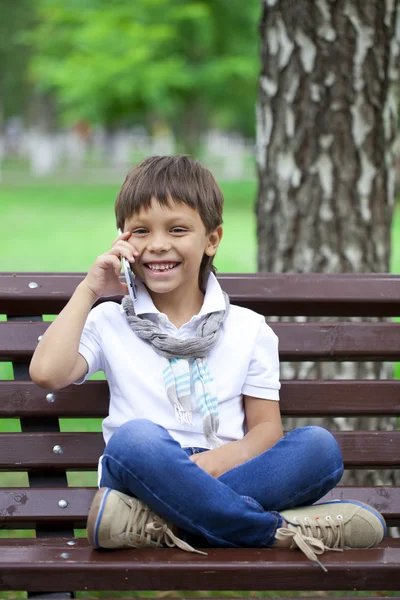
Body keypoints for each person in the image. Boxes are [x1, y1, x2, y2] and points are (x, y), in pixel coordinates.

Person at [29, 155, 386, 572]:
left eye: (177, 229)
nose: (158, 243)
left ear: (212, 239)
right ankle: (275, 532)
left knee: (319, 449)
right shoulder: (110, 319)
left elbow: (267, 428)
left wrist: (216, 462)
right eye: (142, 231)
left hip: (228, 468)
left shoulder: (248, 328)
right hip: (146, 473)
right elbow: (47, 373)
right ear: (122, 240)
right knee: (134, 438)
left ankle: (157, 524)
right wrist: (91, 288)